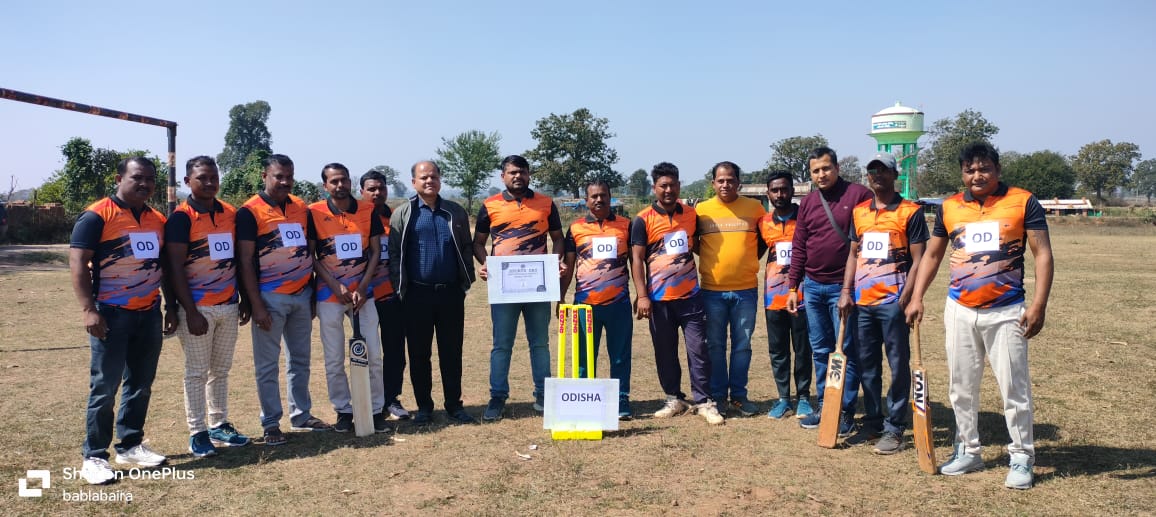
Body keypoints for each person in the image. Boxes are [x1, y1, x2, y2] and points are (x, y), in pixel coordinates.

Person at [905, 141, 1054, 490]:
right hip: (959, 309)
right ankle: (968, 450)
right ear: (962, 174)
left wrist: (1039, 305)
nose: (977, 175)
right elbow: (932, 255)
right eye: (970, 170)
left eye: (984, 168)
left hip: (1007, 311)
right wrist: (917, 297)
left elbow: (1042, 254)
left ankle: (1021, 456)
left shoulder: (1022, 201)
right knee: (961, 387)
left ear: (997, 170)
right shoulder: (950, 207)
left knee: (1014, 388)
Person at [70, 156, 168, 484]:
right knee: (105, 386)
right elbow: (77, 262)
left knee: (140, 383)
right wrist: (89, 309)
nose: (145, 184)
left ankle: (130, 444)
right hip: (111, 313)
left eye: (150, 179)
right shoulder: (96, 215)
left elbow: (162, 265)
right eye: (137, 177)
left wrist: (171, 306)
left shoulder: (157, 218)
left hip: (148, 312)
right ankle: (94, 456)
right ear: (119, 179)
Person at [237, 154, 331, 446]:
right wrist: (255, 304)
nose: (285, 182)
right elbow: (245, 260)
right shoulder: (249, 212)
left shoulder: (300, 207)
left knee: (300, 360)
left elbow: (308, 252)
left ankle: (301, 415)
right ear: (264, 176)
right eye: (279, 176)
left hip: (302, 295)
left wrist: (311, 292)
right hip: (269, 298)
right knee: (267, 365)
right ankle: (270, 423)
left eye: (289, 176)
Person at [837, 154, 927, 454]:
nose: (877, 174)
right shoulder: (860, 212)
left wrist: (908, 296)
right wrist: (846, 291)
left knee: (898, 364)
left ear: (895, 174)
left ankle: (895, 426)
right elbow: (853, 254)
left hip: (893, 303)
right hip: (862, 303)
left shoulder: (910, 212)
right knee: (867, 365)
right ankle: (873, 421)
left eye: (883, 170)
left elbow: (919, 259)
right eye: (872, 170)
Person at [164, 156, 252, 458]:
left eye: (214, 177)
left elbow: (237, 260)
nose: (210, 182)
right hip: (197, 309)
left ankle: (218, 424)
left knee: (221, 371)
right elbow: (174, 268)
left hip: (228, 305)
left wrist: (243, 299)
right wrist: (188, 311)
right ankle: (197, 432)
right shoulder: (181, 218)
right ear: (188, 181)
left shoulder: (230, 213)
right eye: (202, 177)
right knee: (196, 372)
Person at [787, 146, 872, 435]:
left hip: (844, 288)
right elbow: (800, 245)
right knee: (821, 349)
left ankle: (845, 411)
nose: (821, 174)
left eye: (826, 168)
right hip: (812, 287)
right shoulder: (809, 202)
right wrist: (793, 286)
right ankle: (825, 405)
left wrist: (851, 286)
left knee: (845, 350)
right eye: (816, 171)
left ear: (837, 168)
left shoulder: (859, 195)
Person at [474, 155, 566, 422]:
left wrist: (556, 260)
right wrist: (485, 264)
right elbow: (478, 242)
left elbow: (558, 238)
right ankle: (497, 396)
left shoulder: (546, 203)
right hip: (504, 288)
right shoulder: (489, 205)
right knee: (502, 345)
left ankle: (543, 394)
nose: (518, 176)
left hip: (538, 287)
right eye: (512, 172)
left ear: (529, 175)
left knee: (540, 343)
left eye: (522, 172)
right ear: (502, 176)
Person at [631, 162, 723, 425]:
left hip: (691, 297)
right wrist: (642, 295)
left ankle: (704, 401)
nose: (668, 190)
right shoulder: (642, 219)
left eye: (673, 185)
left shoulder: (692, 215)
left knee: (698, 349)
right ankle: (674, 398)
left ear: (679, 186)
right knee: (665, 351)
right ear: (655, 188)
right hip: (658, 300)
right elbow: (636, 260)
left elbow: (700, 246)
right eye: (663, 186)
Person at [390, 161, 477, 424]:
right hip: (417, 294)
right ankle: (424, 407)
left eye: (434, 177)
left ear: (440, 180)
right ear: (414, 182)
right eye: (424, 177)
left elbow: (466, 247)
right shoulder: (403, 213)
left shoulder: (455, 211)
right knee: (419, 354)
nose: (429, 181)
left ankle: (454, 405)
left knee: (452, 352)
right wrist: (401, 286)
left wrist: (465, 282)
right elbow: (394, 254)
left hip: (451, 293)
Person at [308, 163, 387, 434]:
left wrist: (362, 287)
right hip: (329, 294)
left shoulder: (367, 210)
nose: (340, 185)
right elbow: (311, 256)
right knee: (333, 358)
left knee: (373, 354)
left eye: (343, 180)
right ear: (325, 186)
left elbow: (375, 252)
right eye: (334, 181)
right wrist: (335, 285)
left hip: (363, 295)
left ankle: (375, 410)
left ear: (350, 182)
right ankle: (343, 411)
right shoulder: (314, 212)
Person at [696, 161, 766, 416]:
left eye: (730, 180)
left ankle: (738, 396)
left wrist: (746, 260)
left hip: (745, 290)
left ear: (739, 183)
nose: (725, 184)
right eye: (721, 180)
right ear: (713, 183)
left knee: (742, 346)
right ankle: (718, 397)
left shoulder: (755, 208)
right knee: (714, 346)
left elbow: (763, 241)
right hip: (712, 290)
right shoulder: (701, 211)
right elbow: (695, 244)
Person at [560, 180, 634, 419]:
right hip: (585, 305)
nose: (599, 200)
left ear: (610, 198)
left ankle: (621, 400)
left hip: (618, 303)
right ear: (586, 200)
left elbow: (636, 263)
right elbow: (568, 266)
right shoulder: (575, 228)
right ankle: (586, 400)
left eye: (603, 195)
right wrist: (560, 297)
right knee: (584, 357)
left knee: (620, 356)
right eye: (594, 196)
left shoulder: (626, 225)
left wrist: (642, 295)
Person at [758, 171, 813, 420]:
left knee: (802, 348)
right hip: (774, 297)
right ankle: (783, 399)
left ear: (792, 190)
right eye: (775, 190)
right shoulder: (763, 222)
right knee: (778, 349)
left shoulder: (806, 218)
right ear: (768, 193)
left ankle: (804, 398)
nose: (779, 194)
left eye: (784, 189)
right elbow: (756, 252)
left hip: (802, 296)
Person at [360, 169, 411, 421]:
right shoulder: (356, 218)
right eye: (371, 189)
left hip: (392, 296)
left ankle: (391, 398)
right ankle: (368, 400)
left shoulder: (395, 218)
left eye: (381, 188)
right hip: (364, 297)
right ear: (362, 192)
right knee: (368, 352)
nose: (377, 193)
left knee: (395, 351)